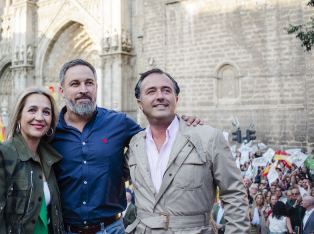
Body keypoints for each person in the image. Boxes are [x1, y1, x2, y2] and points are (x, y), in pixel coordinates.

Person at [50, 60, 202, 233]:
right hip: (63, 229)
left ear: (96, 87)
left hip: (111, 229)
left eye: (89, 83)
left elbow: (155, 138)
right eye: (75, 84)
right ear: (62, 91)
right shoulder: (50, 131)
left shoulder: (118, 122)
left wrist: (181, 123)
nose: (83, 89)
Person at [125, 68, 249, 233]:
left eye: (166, 90)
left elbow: (234, 193)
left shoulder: (208, 138)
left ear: (176, 98)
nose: (160, 96)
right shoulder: (134, 145)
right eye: (151, 91)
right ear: (140, 103)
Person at [0, 87, 64, 234]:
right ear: (18, 116)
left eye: (46, 112)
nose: (39, 117)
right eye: (32, 110)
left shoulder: (50, 158)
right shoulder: (0, 154)